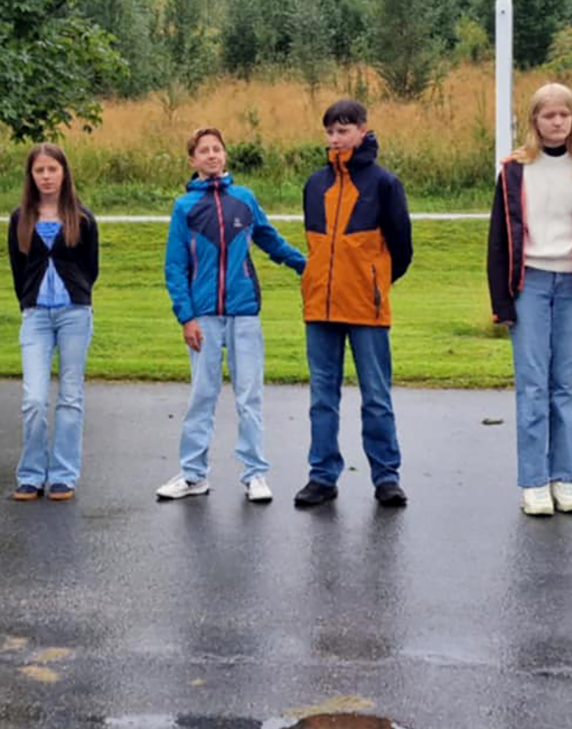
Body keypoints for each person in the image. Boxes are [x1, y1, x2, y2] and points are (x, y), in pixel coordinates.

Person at [487, 82, 572, 517]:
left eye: (564, 115)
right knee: (533, 384)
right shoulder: (514, 170)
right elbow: (499, 241)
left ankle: (564, 477)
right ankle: (534, 482)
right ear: (535, 121)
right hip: (530, 285)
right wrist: (501, 303)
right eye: (548, 115)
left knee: (567, 386)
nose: (557, 122)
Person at [157, 127, 306, 505]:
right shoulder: (184, 207)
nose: (211, 155)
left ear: (225, 155)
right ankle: (193, 475)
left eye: (217, 149)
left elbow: (270, 239)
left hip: (244, 313)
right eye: (203, 151)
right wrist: (185, 316)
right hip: (203, 316)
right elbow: (175, 267)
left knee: (249, 396)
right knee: (202, 395)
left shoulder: (244, 199)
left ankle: (255, 474)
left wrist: (307, 266)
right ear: (192, 160)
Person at [294, 98, 414, 508]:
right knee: (321, 397)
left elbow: (402, 250)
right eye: (330, 131)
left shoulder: (384, 183)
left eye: (343, 130)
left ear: (363, 130)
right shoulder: (315, 184)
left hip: (367, 307)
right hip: (320, 308)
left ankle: (386, 478)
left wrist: (374, 283)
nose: (335, 138)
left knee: (376, 396)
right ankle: (322, 476)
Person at [7, 143, 99, 503]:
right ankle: (31, 474)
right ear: (31, 176)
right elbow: (19, 268)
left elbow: (90, 268)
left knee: (70, 395)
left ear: (64, 173)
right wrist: (28, 301)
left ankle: (63, 474)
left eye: (52, 170)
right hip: (36, 315)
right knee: (33, 398)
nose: (46, 177)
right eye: (39, 171)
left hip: (74, 312)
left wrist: (77, 294)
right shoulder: (21, 218)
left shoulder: (83, 218)